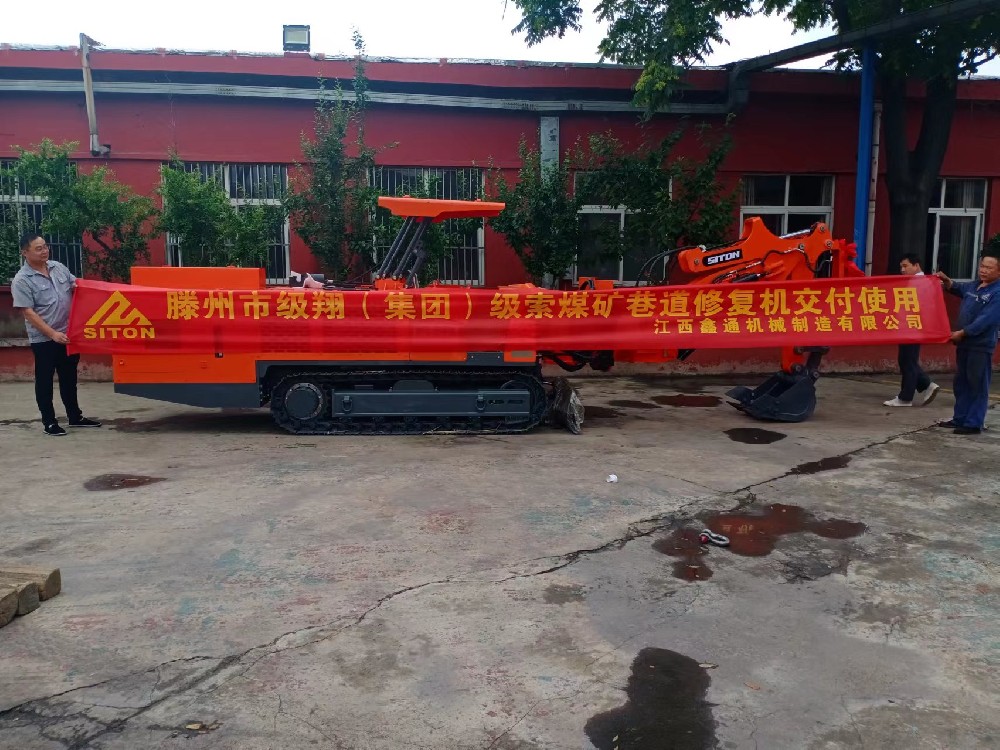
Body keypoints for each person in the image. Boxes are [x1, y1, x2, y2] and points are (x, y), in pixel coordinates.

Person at [11, 233, 102, 436]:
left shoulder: (58, 267)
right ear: (25, 252)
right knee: (44, 381)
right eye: (38, 248)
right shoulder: (22, 280)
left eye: (45, 246)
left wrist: (91, 289)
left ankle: (75, 417)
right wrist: (52, 334)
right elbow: (28, 312)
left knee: (69, 378)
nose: (45, 251)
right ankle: (49, 422)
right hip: (44, 339)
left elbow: (76, 285)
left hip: (68, 335)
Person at [935, 253, 1000, 435]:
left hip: (980, 345)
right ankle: (960, 418)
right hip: (964, 344)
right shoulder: (974, 285)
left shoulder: (997, 292)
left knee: (977, 384)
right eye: (982, 266)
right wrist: (946, 280)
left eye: (989, 268)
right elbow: (958, 288)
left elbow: (986, 320)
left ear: (999, 272)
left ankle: (973, 423)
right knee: (961, 382)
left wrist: (963, 333)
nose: (983, 270)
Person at [884, 254, 940, 407]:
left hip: (913, 327)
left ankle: (906, 397)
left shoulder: (921, 283)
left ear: (916, 265)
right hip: (907, 326)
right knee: (906, 360)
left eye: (905, 266)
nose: (902, 270)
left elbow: (924, 307)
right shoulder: (914, 281)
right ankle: (926, 385)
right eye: (901, 267)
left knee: (908, 361)